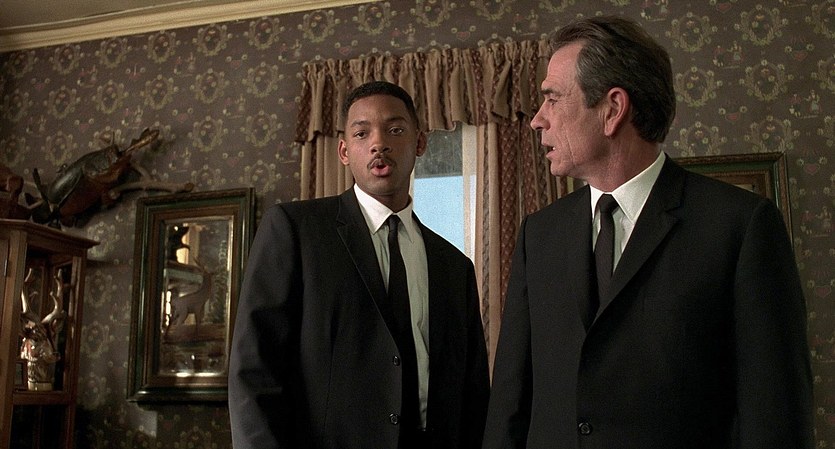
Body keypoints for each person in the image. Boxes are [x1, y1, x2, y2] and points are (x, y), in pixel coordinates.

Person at [483, 16, 813, 449]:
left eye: (553, 99)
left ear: (613, 109)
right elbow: (510, 404)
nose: (537, 120)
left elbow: (776, 415)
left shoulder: (739, 225)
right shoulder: (539, 234)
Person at [229, 80, 489, 449]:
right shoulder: (295, 230)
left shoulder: (454, 266)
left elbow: (473, 394)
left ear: (420, 143)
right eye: (362, 133)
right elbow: (253, 371)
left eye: (394, 130)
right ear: (344, 151)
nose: (378, 143)